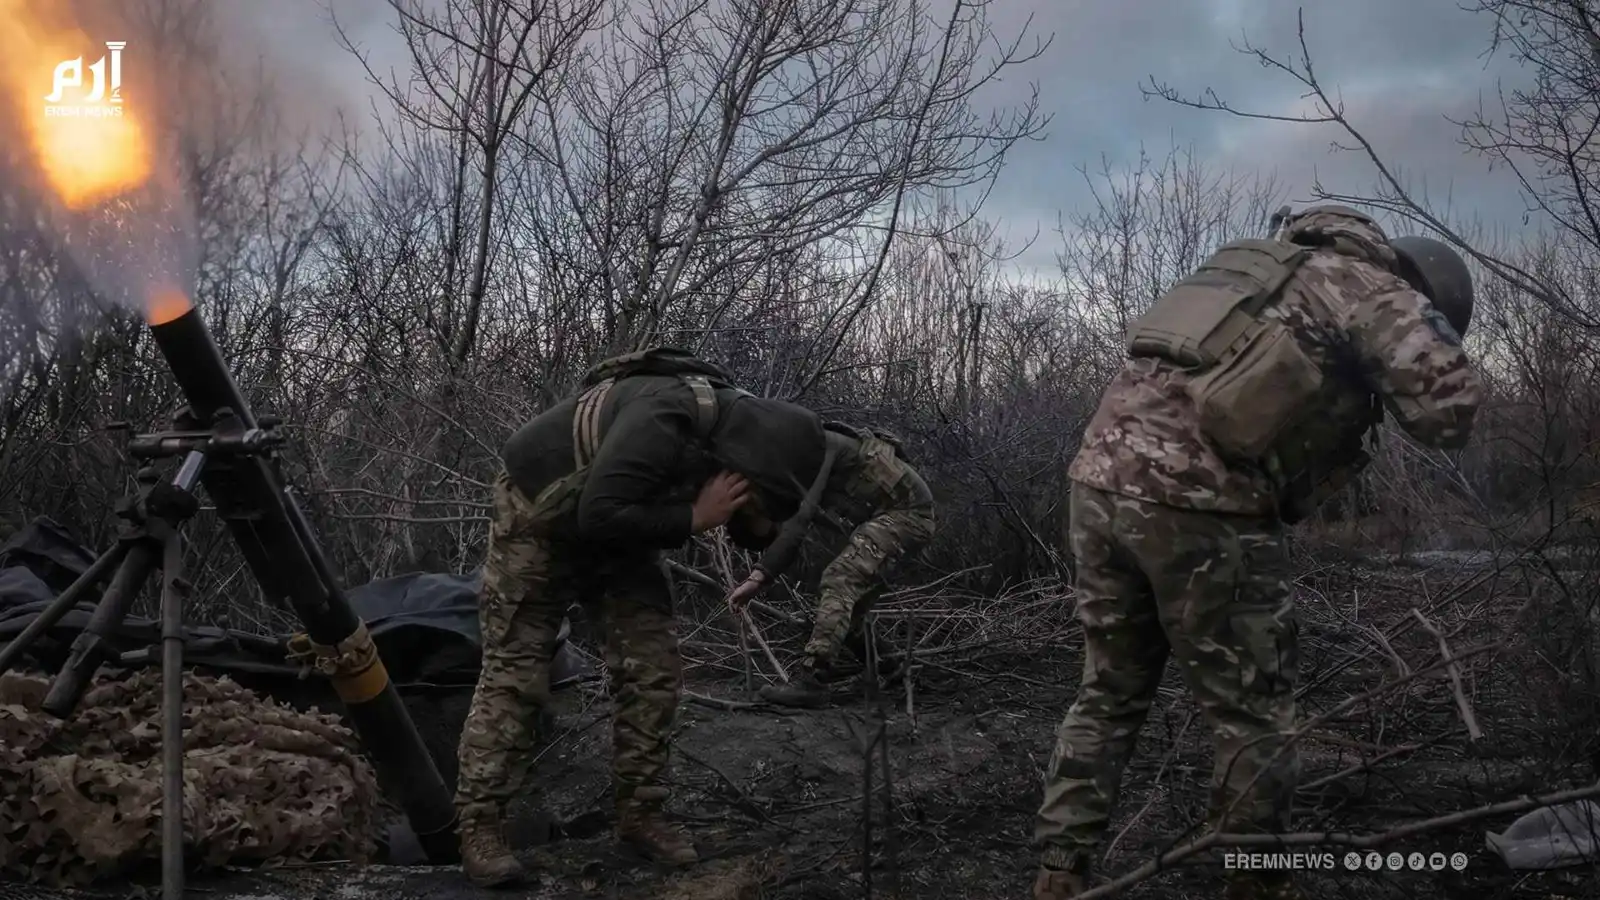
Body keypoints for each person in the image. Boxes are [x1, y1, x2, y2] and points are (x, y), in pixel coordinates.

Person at [1032, 206, 1484, 900]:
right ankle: (1255, 882)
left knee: (1109, 691)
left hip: (1096, 485)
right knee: (1253, 716)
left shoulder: (1249, 266)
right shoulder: (1372, 286)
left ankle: (1059, 871)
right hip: (1201, 506)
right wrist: (1419, 337)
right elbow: (1448, 414)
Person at [454, 348, 827, 888]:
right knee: (517, 672)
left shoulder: (737, 438)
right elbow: (598, 512)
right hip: (539, 515)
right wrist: (694, 517)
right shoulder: (665, 415)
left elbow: (735, 523)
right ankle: (480, 826)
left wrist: (747, 523)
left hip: (619, 525)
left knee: (652, 668)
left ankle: (641, 814)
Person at [723, 421, 936, 708]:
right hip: (897, 517)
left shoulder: (820, 446)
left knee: (839, 580)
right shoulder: (804, 458)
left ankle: (812, 682)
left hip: (909, 515)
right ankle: (895, 669)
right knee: (849, 610)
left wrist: (760, 576)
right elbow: (795, 520)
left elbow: (801, 520)